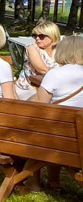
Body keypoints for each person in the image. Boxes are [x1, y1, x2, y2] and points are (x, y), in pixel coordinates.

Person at [29, 36, 83, 190]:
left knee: (39, 127)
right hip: (79, 137)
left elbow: (40, 106)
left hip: (57, 136)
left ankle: (33, 182)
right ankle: (54, 180)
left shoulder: (55, 74)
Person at [15, 20, 60, 100]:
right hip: (29, 89)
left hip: (50, 89)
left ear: (52, 36)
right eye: (35, 36)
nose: (37, 38)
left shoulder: (59, 50)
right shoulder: (32, 48)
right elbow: (43, 70)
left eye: (41, 36)